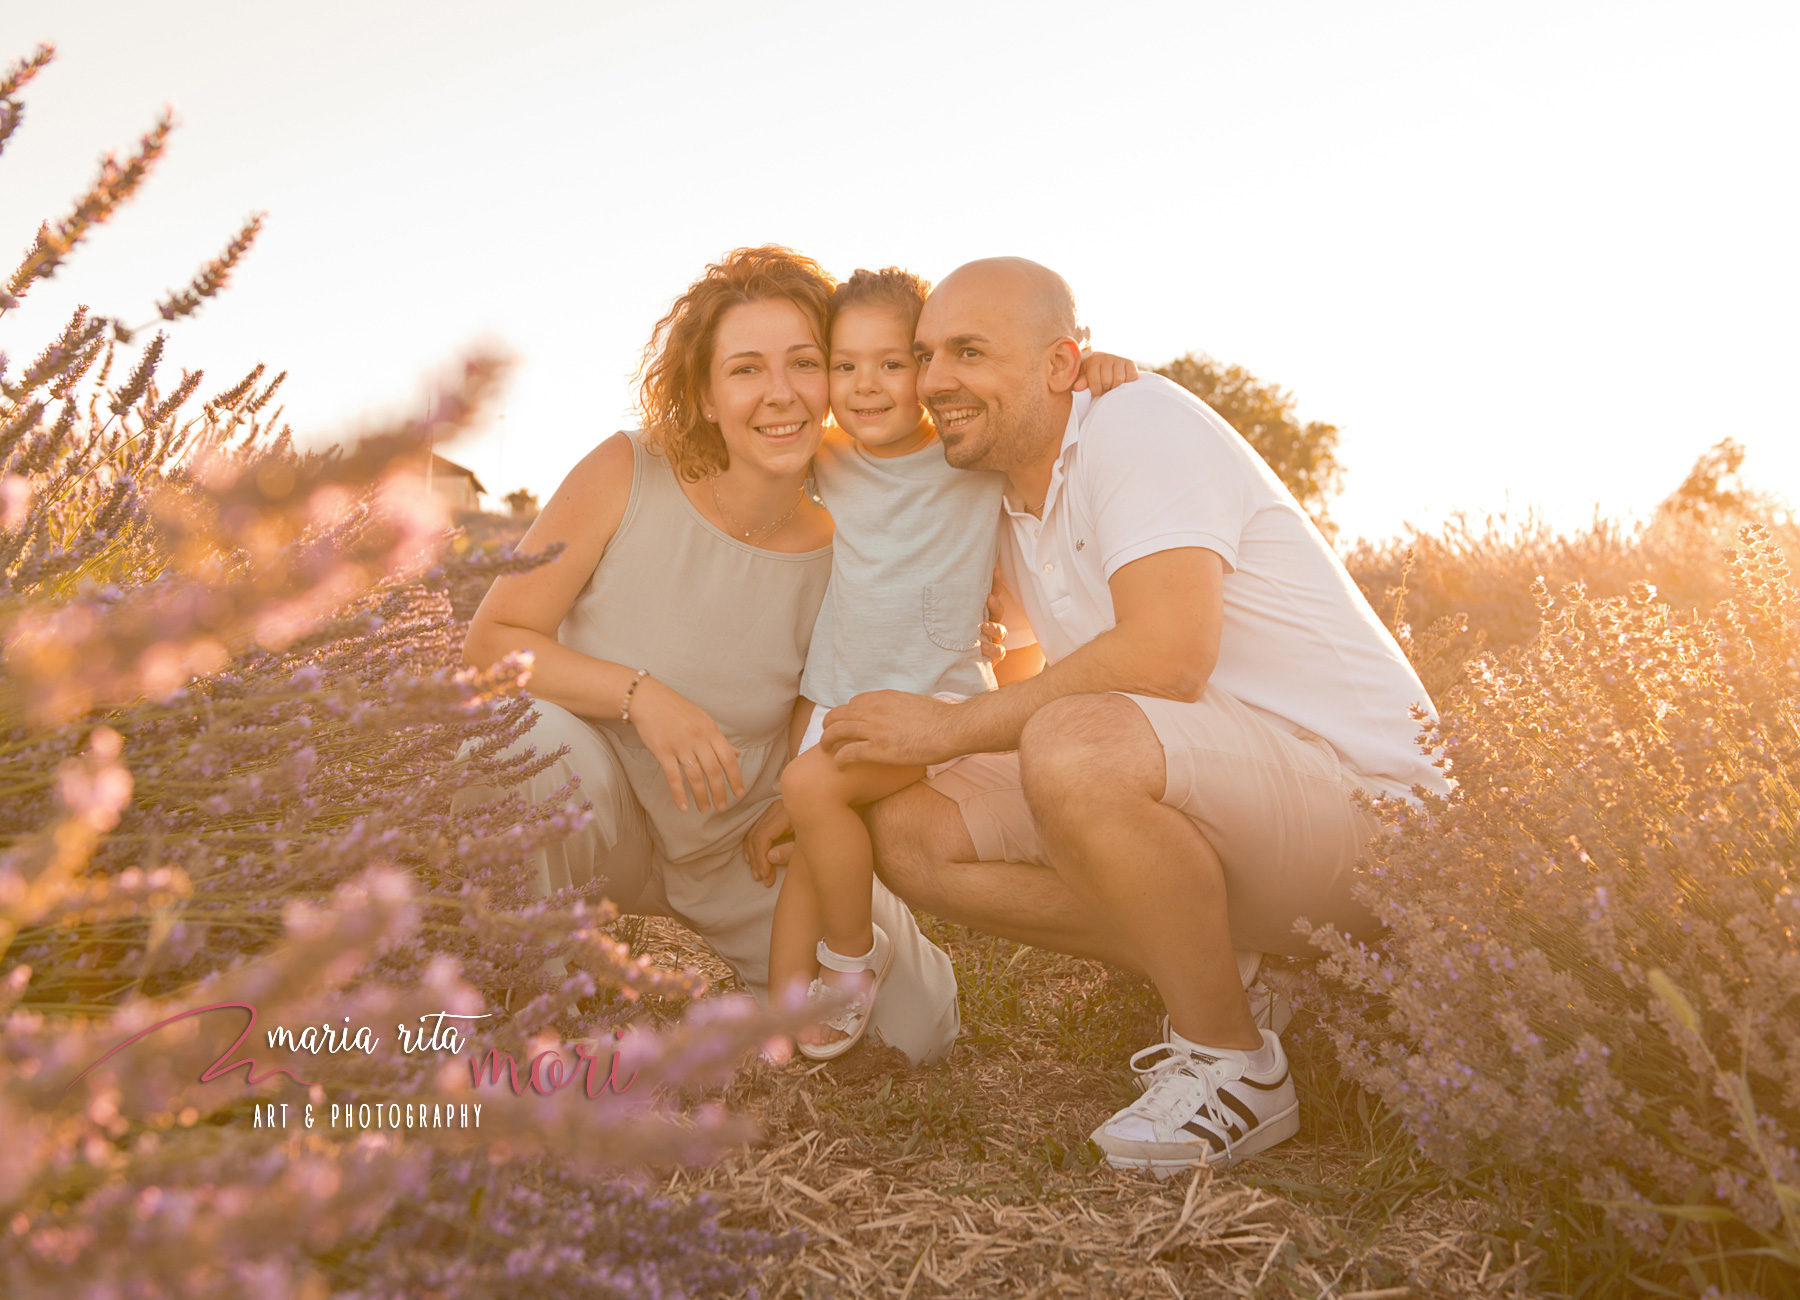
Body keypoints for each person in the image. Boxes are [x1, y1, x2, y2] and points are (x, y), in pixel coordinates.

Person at [762, 256, 1448, 1173]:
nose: (935, 382)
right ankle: (1243, 977)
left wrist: (948, 729)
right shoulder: (1001, 492)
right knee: (910, 827)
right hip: (1225, 792)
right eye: (926, 355)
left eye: (969, 352)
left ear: (1061, 365)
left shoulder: (1139, 426)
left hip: (1373, 815)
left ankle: (1234, 1067)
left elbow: (1168, 657)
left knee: (1072, 739)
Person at [458, 245, 959, 1065]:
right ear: (703, 392)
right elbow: (489, 647)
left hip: (738, 837)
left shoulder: (856, 528)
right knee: (523, 739)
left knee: (920, 1033)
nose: (781, 393)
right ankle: (520, 1006)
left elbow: (835, 680)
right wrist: (641, 695)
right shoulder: (628, 468)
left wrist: (1090, 378)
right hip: (602, 802)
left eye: (805, 362)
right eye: (746, 370)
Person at [760, 267, 1138, 1061]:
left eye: (892, 364)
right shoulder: (828, 459)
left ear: (928, 372)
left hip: (938, 705)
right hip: (842, 705)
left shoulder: (967, 459)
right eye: (844, 364)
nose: (865, 386)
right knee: (805, 862)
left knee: (808, 790)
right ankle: (775, 1027)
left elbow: (1046, 416)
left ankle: (854, 959)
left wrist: (1104, 373)